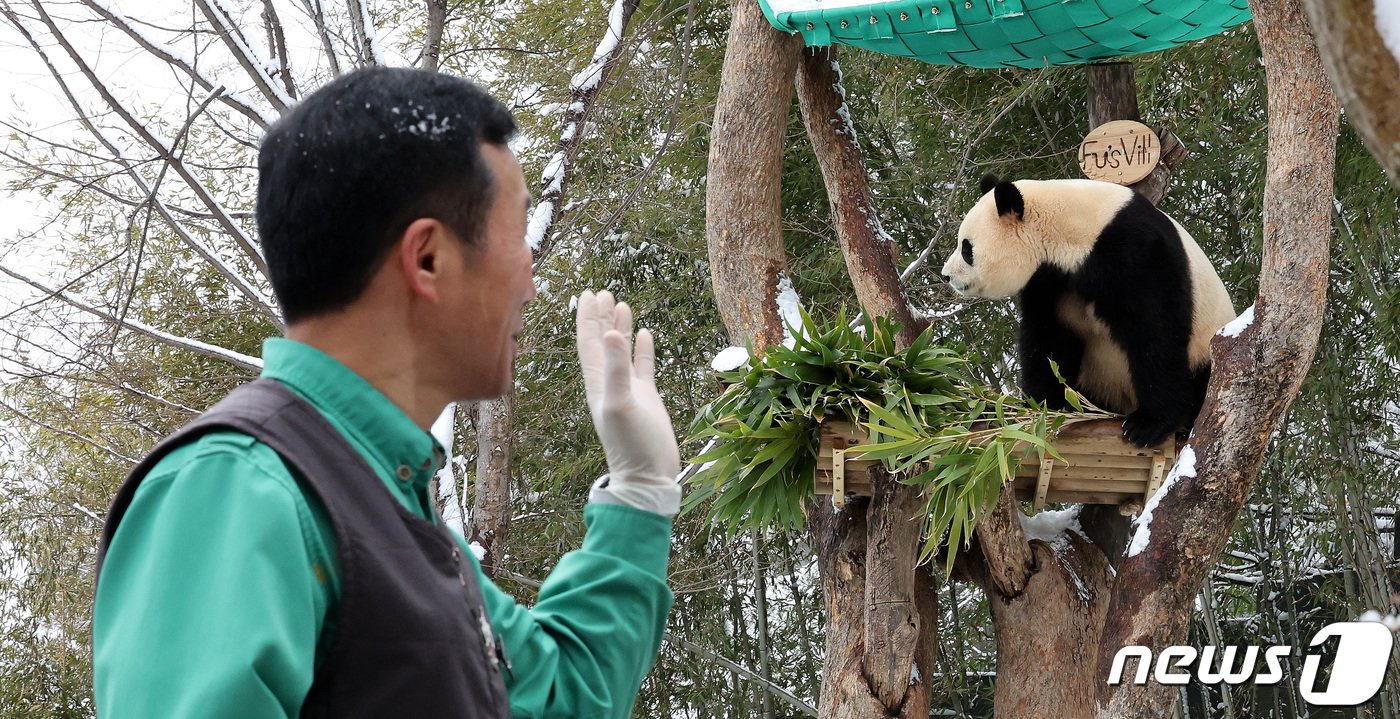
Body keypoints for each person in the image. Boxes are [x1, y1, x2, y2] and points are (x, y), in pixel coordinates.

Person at [92, 67, 682, 718]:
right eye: (517, 238)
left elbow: (563, 697)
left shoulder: (397, 522)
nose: (530, 285)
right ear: (427, 258)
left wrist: (639, 492)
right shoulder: (238, 488)